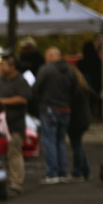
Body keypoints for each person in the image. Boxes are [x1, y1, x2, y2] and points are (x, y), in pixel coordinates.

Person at [0, 54, 32, 196]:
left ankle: (16, 184)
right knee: (0, 155)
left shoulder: (20, 81)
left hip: (14, 125)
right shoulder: (0, 80)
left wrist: (3, 101)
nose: (1, 67)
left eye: (4, 64)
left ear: (12, 66)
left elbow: (23, 99)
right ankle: (1, 183)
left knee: (14, 154)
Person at [33, 47, 77, 184]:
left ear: (52, 56)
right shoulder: (70, 70)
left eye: (47, 56)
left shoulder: (46, 70)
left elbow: (35, 89)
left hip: (49, 109)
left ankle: (52, 173)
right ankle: (62, 171)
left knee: (49, 141)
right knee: (60, 141)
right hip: (65, 109)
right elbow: (74, 89)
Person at [67, 69, 94, 182]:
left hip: (76, 121)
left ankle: (78, 171)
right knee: (77, 145)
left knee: (76, 146)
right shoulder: (83, 87)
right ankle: (85, 170)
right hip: (83, 119)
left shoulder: (74, 89)